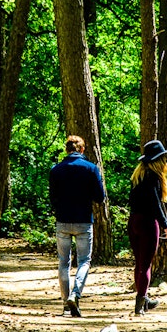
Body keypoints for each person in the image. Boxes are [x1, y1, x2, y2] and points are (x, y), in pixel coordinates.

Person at [48, 135, 107, 317]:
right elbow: (100, 197)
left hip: (63, 221)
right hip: (83, 221)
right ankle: (75, 294)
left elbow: (52, 199)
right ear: (82, 149)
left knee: (63, 262)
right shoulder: (91, 169)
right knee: (84, 261)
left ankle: (66, 304)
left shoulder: (56, 170)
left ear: (67, 150)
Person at [128, 139, 167, 315]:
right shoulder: (153, 177)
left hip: (133, 221)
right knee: (146, 265)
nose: (165, 162)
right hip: (148, 223)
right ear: (158, 160)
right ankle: (140, 304)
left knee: (139, 263)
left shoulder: (137, 177)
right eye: (163, 158)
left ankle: (144, 298)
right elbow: (155, 205)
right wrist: (165, 226)